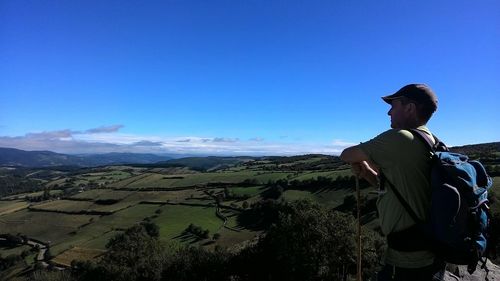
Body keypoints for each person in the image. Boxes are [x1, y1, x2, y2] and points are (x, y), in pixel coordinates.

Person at [340, 84, 445, 281]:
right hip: (430, 254)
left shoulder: (399, 138)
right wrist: (368, 172)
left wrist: (359, 160)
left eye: (393, 105)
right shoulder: (431, 140)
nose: (388, 111)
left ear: (410, 108)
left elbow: (346, 154)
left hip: (408, 262)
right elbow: (400, 188)